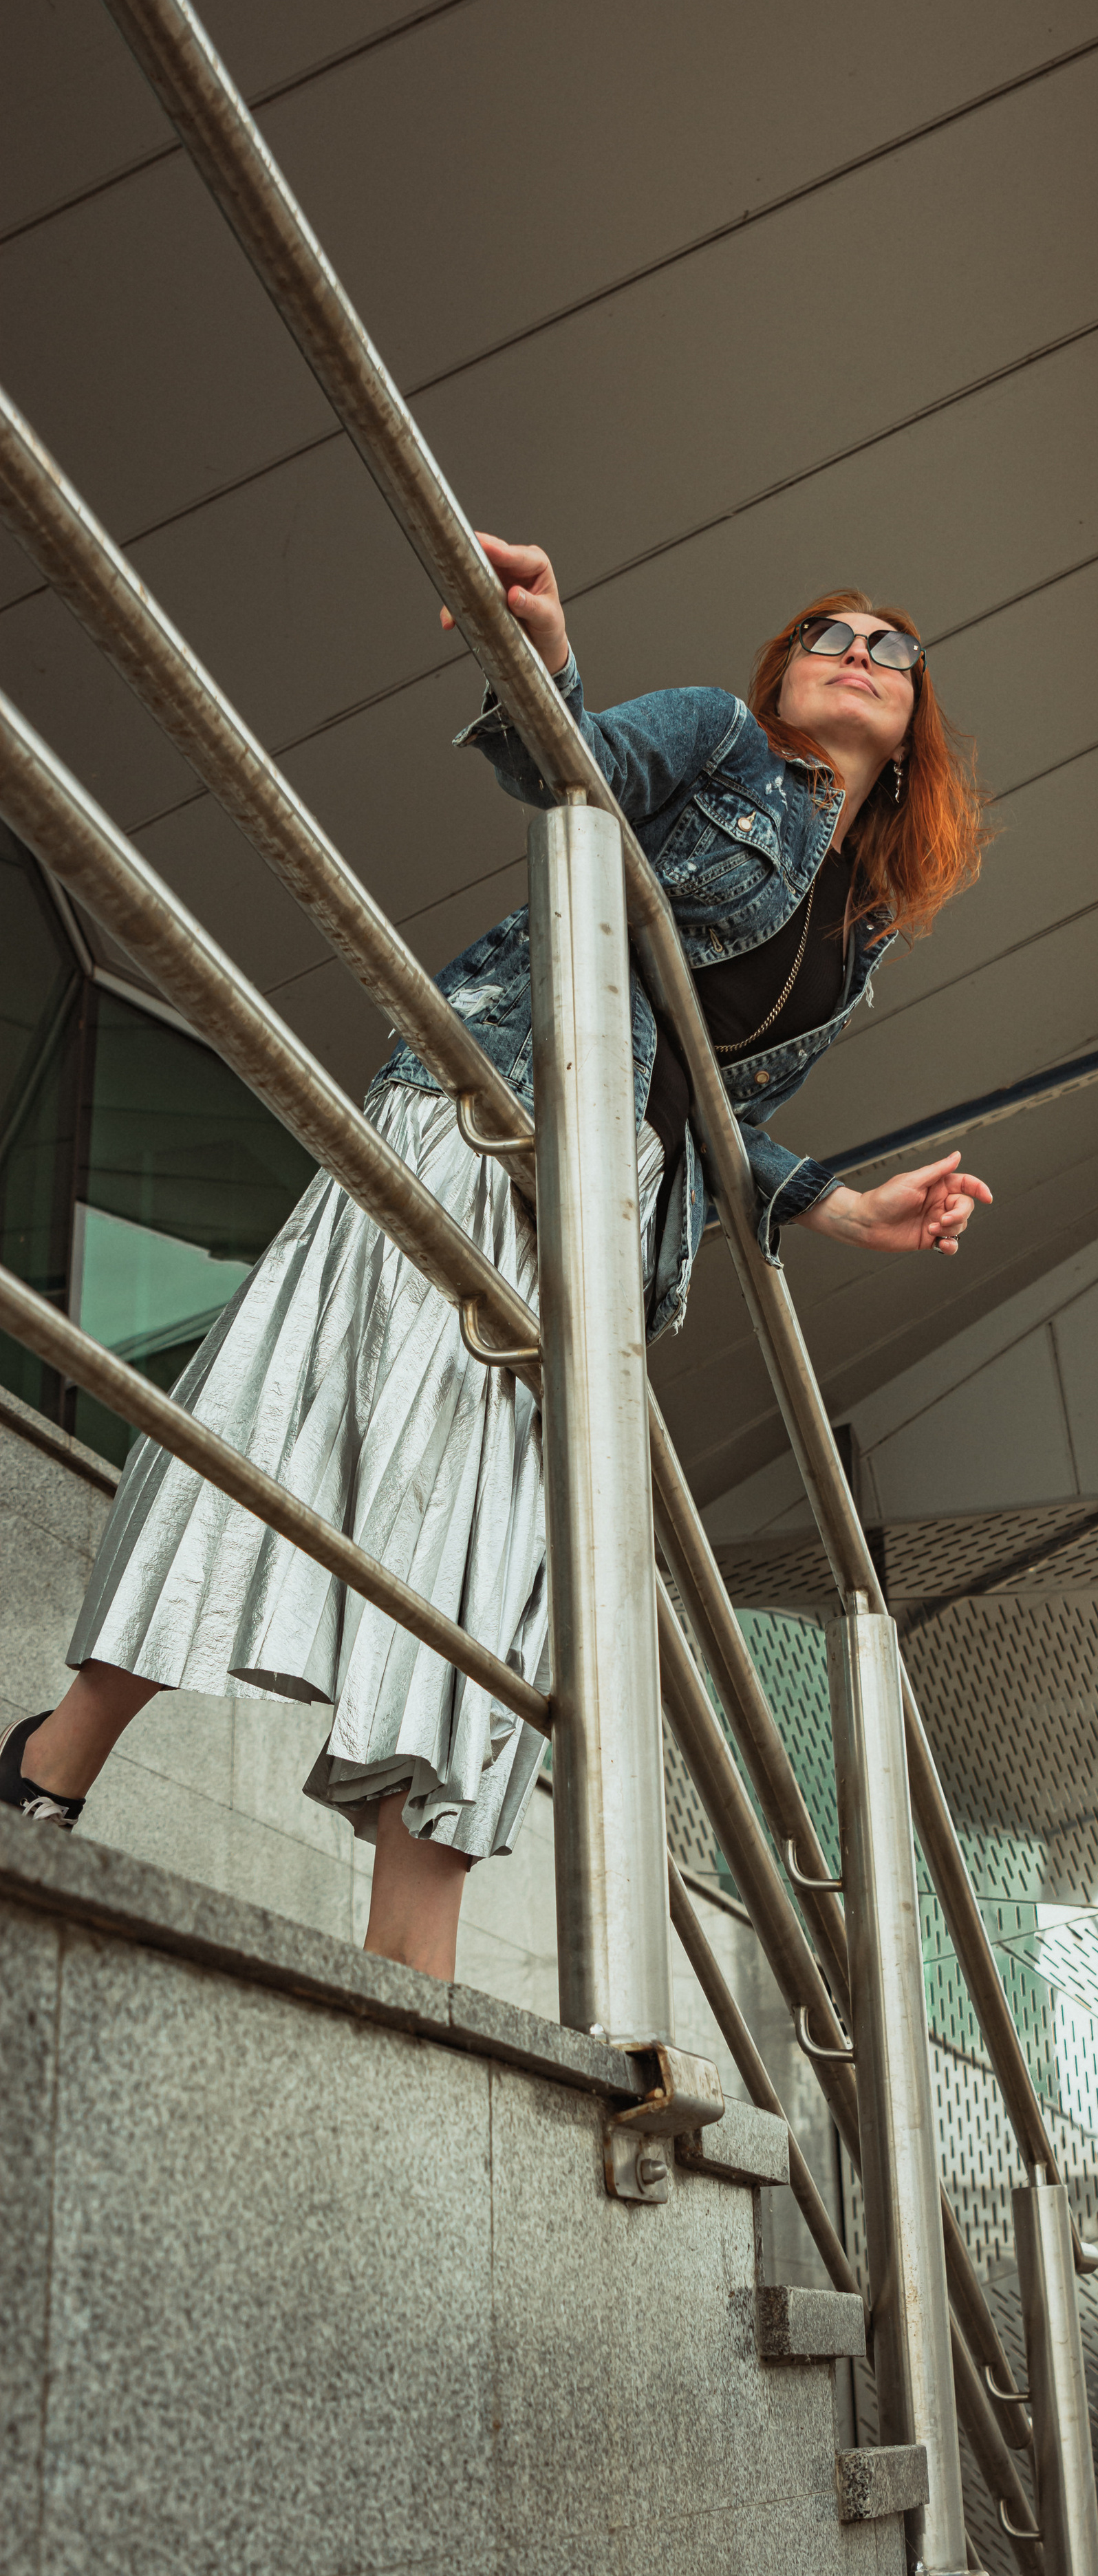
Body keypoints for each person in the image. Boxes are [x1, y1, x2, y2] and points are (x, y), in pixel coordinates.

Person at [1, 546, 993, 1978]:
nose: (852, 648)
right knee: (295, 1422)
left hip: (604, 1213)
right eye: (824, 634)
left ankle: (419, 1957)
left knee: (506, 1562)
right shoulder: (718, 738)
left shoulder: (866, 929)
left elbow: (723, 1112)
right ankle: (50, 1762)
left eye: (887, 647)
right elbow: (569, 772)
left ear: (914, 726)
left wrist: (840, 1208)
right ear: (780, 678)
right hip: (488, 1112)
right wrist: (536, 655)